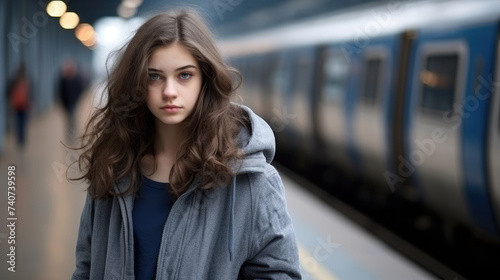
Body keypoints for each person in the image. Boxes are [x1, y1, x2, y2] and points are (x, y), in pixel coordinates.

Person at [71, 9, 301, 280]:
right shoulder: (113, 167)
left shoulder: (251, 181)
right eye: (154, 76)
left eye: (184, 75)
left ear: (206, 79)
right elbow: (86, 269)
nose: (169, 91)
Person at [58, 58, 85, 138]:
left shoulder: (76, 79)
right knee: (69, 119)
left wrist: (77, 98)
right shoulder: (63, 80)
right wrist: (62, 102)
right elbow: (60, 92)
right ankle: (70, 132)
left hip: (73, 102)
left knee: (72, 118)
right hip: (66, 103)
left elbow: (80, 89)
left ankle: (72, 132)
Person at [8, 63, 31, 150]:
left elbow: (9, 91)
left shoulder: (14, 80)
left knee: (17, 123)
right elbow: (31, 93)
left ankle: (19, 140)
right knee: (23, 123)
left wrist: (11, 101)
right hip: (24, 105)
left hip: (16, 105)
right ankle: (22, 140)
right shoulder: (26, 79)